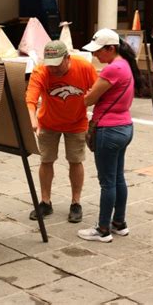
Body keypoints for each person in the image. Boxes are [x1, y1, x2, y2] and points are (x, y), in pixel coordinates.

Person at [77, 28, 141, 242]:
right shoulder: (126, 65)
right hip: (125, 127)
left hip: (109, 130)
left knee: (107, 182)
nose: (95, 55)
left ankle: (103, 229)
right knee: (118, 178)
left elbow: (88, 99)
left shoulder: (112, 70)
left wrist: (88, 93)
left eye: (98, 51)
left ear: (111, 48)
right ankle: (119, 223)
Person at [25, 40, 97, 223]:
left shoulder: (84, 67)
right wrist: (32, 119)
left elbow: (98, 92)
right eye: (51, 66)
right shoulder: (41, 70)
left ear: (67, 58)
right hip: (49, 123)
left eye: (57, 65)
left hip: (77, 122)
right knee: (46, 160)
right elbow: (30, 99)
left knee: (76, 160)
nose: (54, 70)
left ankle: (76, 202)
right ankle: (45, 201)